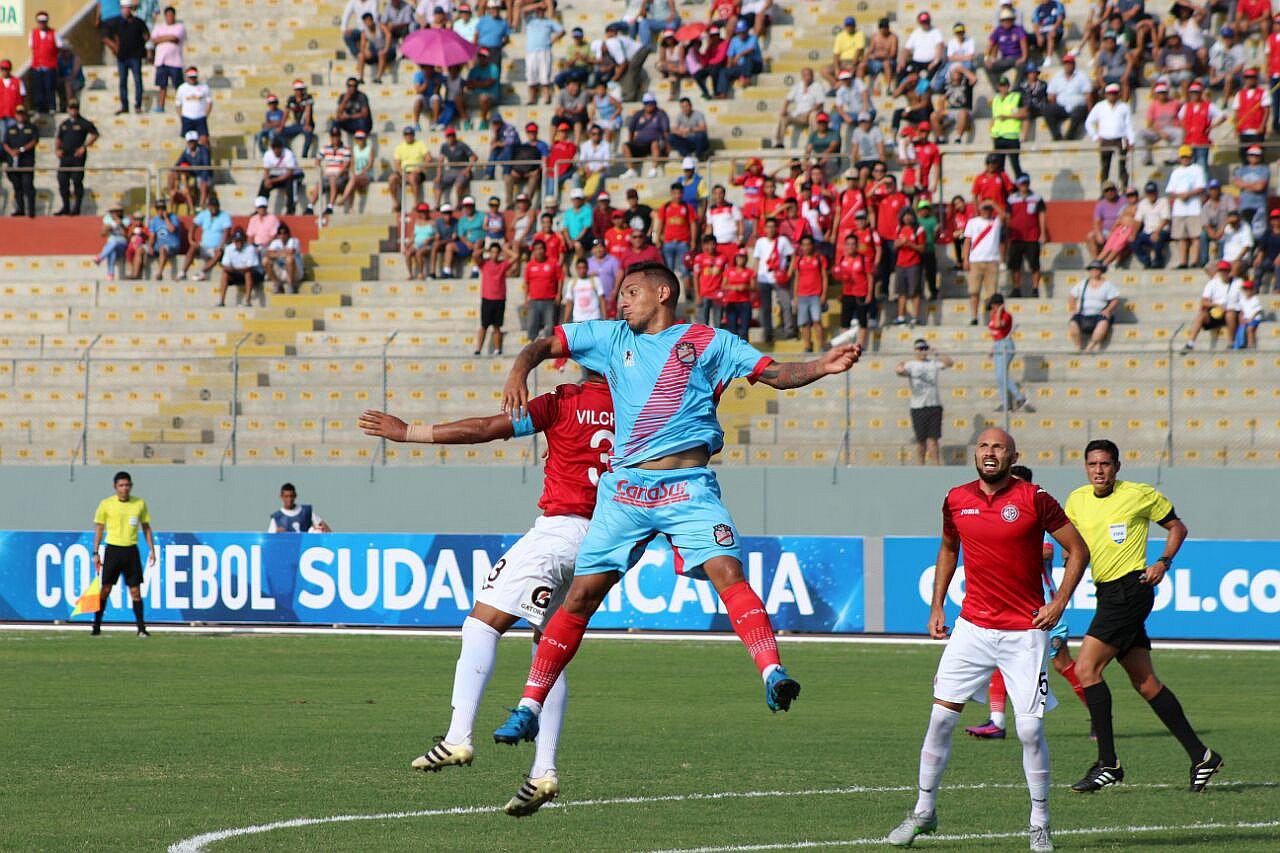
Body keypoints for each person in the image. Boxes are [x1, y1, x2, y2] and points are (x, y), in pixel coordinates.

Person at [489, 262, 863, 748]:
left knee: (727, 570)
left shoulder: (711, 341)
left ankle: (772, 671)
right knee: (581, 598)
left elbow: (776, 373)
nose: (621, 301)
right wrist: (520, 371)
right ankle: (528, 706)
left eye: (631, 292)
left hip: (687, 487)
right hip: (625, 491)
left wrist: (821, 367)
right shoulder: (610, 338)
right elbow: (542, 344)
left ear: (662, 293)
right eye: (620, 293)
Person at [358, 370, 614, 817]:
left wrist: (410, 432)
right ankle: (544, 770)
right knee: (550, 647)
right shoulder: (640, 405)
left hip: (559, 532)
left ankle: (458, 737)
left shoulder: (562, 401)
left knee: (481, 623)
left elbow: (487, 429)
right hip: (606, 540)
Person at [886, 428, 1087, 852]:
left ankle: (1040, 823)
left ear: (1013, 455)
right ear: (975, 455)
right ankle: (923, 812)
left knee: (1030, 731)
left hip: (1025, 633)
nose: (990, 452)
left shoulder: (1035, 498)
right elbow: (947, 548)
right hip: (973, 628)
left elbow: (1078, 550)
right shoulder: (956, 499)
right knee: (940, 719)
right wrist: (937, 605)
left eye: (998, 447)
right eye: (984, 446)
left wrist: (1060, 604)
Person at [1064, 439, 1224, 794]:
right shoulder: (1076, 501)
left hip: (1130, 590)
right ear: (1086, 467)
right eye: (1092, 464)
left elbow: (1177, 527)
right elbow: (1072, 543)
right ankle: (1202, 756)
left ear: (1117, 467)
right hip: (1106, 591)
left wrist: (1163, 563)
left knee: (1086, 669)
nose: (1099, 470)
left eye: (1105, 464)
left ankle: (1108, 763)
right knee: (1145, 682)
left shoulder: (1138, 494)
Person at [967, 463, 1094, 740]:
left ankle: (1099, 717)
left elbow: (1046, 553)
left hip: (1042, 609)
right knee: (998, 661)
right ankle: (997, 722)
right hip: (1009, 610)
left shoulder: (1038, 517)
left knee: (1063, 665)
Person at [90, 471, 157, 637]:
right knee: (105, 589)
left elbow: (146, 527)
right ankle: (96, 626)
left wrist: (152, 549)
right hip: (113, 550)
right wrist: (96, 551)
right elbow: (99, 528)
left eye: (127, 485)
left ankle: (141, 629)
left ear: (131, 486)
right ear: (115, 487)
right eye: (121, 485)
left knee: (135, 591)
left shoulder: (139, 504)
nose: (124, 488)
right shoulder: (106, 504)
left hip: (131, 551)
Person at [895, 339, 953, 465]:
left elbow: (949, 363)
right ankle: (920, 467)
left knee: (933, 440)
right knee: (921, 441)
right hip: (918, 407)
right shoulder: (911, 364)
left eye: (924, 347)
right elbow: (901, 371)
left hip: (934, 405)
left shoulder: (933, 363)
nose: (923, 351)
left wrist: (938, 353)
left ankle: (936, 467)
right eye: (920, 348)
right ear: (915, 350)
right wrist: (899, 369)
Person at [53, 100, 98, 216]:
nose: (73, 110)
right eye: (71, 108)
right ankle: (66, 206)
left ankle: (76, 208)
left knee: (77, 181)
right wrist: (57, 149)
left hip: (77, 156)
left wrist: (84, 147)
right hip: (65, 156)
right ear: (68, 109)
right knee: (62, 181)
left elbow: (94, 134)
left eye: (75, 108)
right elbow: (58, 138)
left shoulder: (83, 122)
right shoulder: (64, 124)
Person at [1085, 83, 1133, 191]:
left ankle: (1124, 189)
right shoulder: (1099, 106)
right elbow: (1089, 122)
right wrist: (1095, 136)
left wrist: (1131, 140)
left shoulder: (1124, 107)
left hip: (1120, 139)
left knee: (1122, 166)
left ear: (1118, 94)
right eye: (1110, 94)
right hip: (1105, 139)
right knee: (1105, 167)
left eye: (1115, 93)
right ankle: (1104, 191)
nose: (1112, 96)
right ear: (1106, 95)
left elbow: (1129, 125)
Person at [1165, 145, 1207, 268]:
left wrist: (1188, 194)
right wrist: (1180, 196)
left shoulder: (1197, 169)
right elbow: (1170, 191)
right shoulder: (1176, 171)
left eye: (1187, 157)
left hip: (1193, 208)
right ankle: (1183, 261)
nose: (1185, 159)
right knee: (1181, 237)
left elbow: (1201, 187)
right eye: (1183, 157)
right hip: (1179, 209)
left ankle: (1194, 261)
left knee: (1195, 236)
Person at [989, 293, 1032, 412]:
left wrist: (999, 311)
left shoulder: (1006, 316)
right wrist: (993, 348)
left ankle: (1020, 398)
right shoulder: (993, 315)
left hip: (1005, 344)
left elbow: (998, 326)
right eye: (993, 306)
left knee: (1001, 374)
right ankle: (1005, 403)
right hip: (998, 345)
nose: (994, 308)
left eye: (996, 306)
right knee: (999, 376)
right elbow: (994, 333)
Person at [962, 199, 1002, 326]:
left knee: (992, 293)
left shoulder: (996, 221)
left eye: (988, 208)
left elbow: (1006, 216)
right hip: (975, 261)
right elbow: (967, 242)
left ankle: (992, 319)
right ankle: (974, 317)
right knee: (974, 291)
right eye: (984, 208)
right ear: (979, 209)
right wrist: (965, 259)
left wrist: (993, 203)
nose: (986, 211)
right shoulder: (972, 222)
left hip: (992, 261)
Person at [1005, 173, 1045, 297]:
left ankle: (1035, 288)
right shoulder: (1011, 199)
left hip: (1032, 236)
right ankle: (1016, 288)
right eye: (1022, 183)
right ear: (1018, 184)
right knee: (1015, 265)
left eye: (1026, 183)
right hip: (1016, 236)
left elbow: (1042, 215)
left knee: (1035, 264)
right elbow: (1007, 217)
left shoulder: (1037, 198)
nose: (1024, 186)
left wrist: (1043, 233)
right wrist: (1007, 233)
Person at [1069, 260, 1120, 353]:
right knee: (1073, 323)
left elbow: (1115, 300)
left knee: (1103, 322)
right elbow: (1072, 296)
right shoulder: (1082, 283)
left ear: (1101, 271)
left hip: (1100, 313)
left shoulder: (1108, 285)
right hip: (1083, 313)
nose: (1094, 271)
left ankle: (1090, 347)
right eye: (1092, 269)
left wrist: (1108, 310)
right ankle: (1078, 346)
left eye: (1097, 269)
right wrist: (1074, 309)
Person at [1181, 261, 1233, 350]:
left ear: (1229, 271)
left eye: (1225, 270)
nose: (1223, 272)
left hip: (1230, 311)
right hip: (1216, 311)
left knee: (1230, 314)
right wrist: (1217, 305)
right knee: (1200, 316)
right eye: (1221, 270)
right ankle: (1190, 343)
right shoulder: (1212, 283)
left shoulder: (1236, 283)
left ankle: (1231, 343)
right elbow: (1204, 302)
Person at [523, 3, 564, 106]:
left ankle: (547, 98)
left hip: (544, 50)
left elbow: (562, 31)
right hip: (531, 51)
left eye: (542, 10)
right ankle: (531, 98)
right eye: (539, 10)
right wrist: (537, 5)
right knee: (531, 75)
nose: (540, 11)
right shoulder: (529, 20)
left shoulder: (549, 22)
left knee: (545, 75)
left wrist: (552, 40)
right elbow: (523, 10)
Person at [774, 66, 825, 149]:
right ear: (802, 76)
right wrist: (784, 109)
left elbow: (820, 103)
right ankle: (779, 142)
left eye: (809, 75)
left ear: (812, 76)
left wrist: (809, 112)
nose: (807, 77)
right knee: (783, 116)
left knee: (813, 114)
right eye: (805, 75)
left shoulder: (817, 86)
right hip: (798, 115)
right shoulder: (797, 86)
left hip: (810, 114)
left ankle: (814, 141)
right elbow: (788, 99)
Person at [522, 238, 562, 341]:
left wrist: (559, 294)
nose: (539, 251)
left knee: (550, 326)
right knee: (531, 325)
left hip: (549, 300)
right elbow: (526, 283)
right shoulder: (530, 265)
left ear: (545, 250)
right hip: (534, 300)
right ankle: (532, 346)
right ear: (533, 251)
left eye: (541, 248)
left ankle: (549, 350)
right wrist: (526, 298)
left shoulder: (553, 263)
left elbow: (560, 278)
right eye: (536, 249)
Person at [180, 196, 230, 280]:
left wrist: (221, 245)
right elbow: (193, 225)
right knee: (193, 247)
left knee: (219, 253)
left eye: (215, 206)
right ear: (208, 206)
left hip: (216, 248)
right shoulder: (204, 214)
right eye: (211, 206)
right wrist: (191, 239)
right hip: (204, 246)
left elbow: (227, 232)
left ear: (218, 206)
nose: (213, 208)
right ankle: (182, 272)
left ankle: (201, 272)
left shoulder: (224, 215)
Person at [113, 0, 149, 115]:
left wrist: (141, 47)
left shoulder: (138, 22)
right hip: (122, 57)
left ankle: (138, 105)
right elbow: (113, 37)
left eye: (127, 8)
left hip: (135, 56)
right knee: (123, 81)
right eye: (124, 8)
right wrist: (117, 49)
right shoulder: (118, 23)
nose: (126, 10)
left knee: (137, 80)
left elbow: (146, 35)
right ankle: (124, 106)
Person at [1042, 53, 1089, 140]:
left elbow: (1088, 95)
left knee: (1079, 111)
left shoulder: (1082, 76)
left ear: (1074, 64)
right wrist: (1055, 105)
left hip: (1078, 107)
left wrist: (1090, 110)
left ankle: (1070, 136)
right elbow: (1051, 95)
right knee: (1048, 109)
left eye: (1070, 63)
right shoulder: (1057, 77)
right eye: (1066, 63)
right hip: (1062, 107)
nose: (1068, 65)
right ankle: (1056, 136)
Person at [2, 104, 37, 217]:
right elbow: (5, 143)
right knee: (17, 187)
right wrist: (11, 152)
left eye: (22, 114)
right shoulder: (11, 129)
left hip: (26, 162)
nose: (20, 116)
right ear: (15, 115)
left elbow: (34, 141)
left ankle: (31, 211)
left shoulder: (31, 127)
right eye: (18, 114)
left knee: (28, 186)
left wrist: (21, 150)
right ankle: (20, 210)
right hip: (14, 163)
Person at [149, 6, 184, 113]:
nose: (169, 17)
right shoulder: (159, 27)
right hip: (161, 61)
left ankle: (182, 105)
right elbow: (153, 40)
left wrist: (161, 39)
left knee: (179, 86)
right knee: (162, 85)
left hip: (175, 62)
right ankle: (160, 106)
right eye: (167, 15)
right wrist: (167, 38)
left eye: (171, 15)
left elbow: (175, 38)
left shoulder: (179, 26)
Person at [390, 125, 431, 213]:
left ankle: (416, 204)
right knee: (392, 178)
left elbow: (428, 158)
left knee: (412, 177)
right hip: (404, 172)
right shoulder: (400, 147)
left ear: (413, 135)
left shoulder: (420, 144)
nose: (408, 136)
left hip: (417, 172)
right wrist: (402, 173)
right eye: (406, 134)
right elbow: (397, 163)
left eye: (410, 134)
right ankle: (396, 203)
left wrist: (421, 168)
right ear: (404, 136)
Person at [218, 228, 264, 307]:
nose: (239, 243)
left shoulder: (250, 248)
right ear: (233, 241)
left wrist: (234, 269)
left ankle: (248, 301)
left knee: (247, 273)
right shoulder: (229, 248)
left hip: (253, 274)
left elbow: (250, 267)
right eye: (237, 241)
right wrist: (232, 269)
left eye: (240, 240)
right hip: (237, 273)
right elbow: (225, 265)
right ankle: (221, 301)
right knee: (225, 274)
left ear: (244, 241)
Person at [260, 135, 304, 215]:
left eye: (278, 148)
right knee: (264, 184)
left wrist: (272, 180)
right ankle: (260, 207)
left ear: (281, 148)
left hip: (294, 175)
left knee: (291, 183)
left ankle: (290, 210)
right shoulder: (268, 155)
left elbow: (290, 173)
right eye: (275, 149)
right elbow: (266, 171)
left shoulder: (288, 154)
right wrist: (267, 180)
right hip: (280, 175)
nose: (276, 151)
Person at [1132, 181, 1170, 269]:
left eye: (1153, 192)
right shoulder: (1142, 203)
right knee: (1133, 241)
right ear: (1146, 194)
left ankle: (1158, 262)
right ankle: (1146, 261)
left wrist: (1157, 231)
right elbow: (1138, 221)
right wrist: (1133, 234)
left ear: (1157, 192)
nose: (1151, 195)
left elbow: (1166, 219)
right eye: (1149, 193)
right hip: (1147, 231)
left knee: (1157, 238)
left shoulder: (1163, 201)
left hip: (1161, 230)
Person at [174, 66, 211, 140]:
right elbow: (178, 104)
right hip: (187, 117)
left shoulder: (204, 87)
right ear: (187, 77)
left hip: (200, 117)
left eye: (194, 77)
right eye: (190, 77)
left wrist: (205, 116)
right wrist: (182, 117)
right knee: (189, 140)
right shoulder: (182, 88)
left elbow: (209, 102)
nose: (192, 79)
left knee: (203, 140)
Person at [265, 223, 304, 294]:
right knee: (265, 261)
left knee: (289, 259)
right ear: (277, 235)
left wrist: (276, 252)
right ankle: (277, 284)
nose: (282, 235)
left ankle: (290, 285)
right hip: (282, 270)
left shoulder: (294, 240)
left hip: (295, 273)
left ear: (288, 234)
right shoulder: (275, 242)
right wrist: (283, 252)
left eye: (284, 233)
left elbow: (291, 252)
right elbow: (268, 254)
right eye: (280, 233)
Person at [147, 199, 180, 279]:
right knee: (140, 249)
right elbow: (152, 235)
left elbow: (172, 229)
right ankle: (136, 274)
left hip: (172, 245)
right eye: (158, 209)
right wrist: (150, 246)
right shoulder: (154, 221)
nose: (160, 211)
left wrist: (166, 218)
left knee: (163, 248)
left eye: (162, 208)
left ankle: (159, 273)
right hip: (159, 246)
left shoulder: (173, 217)